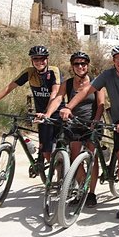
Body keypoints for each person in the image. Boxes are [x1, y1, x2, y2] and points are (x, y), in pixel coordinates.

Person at [60, 44, 119, 219]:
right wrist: (68, 106)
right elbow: (87, 90)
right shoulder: (107, 75)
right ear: (113, 60)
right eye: (118, 59)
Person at [0, 45, 62, 170]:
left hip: (55, 112)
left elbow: (55, 93)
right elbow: (9, 88)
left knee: (58, 148)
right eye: (36, 59)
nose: (39, 62)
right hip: (40, 114)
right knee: (47, 152)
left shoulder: (53, 71)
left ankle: (62, 178)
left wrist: (47, 113)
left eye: (42, 59)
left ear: (47, 59)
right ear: (31, 60)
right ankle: (54, 170)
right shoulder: (29, 73)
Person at [42, 51, 105, 207]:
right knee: (74, 157)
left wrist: (95, 121)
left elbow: (101, 105)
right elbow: (58, 99)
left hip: (92, 124)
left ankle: (91, 193)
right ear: (72, 66)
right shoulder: (68, 84)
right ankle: (82, 189)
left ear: (88, 66)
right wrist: (48, 114)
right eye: (77, 64)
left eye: (83, 64)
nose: (80, 66)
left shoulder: (96, 83)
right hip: (75, 124)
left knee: (92, 157)